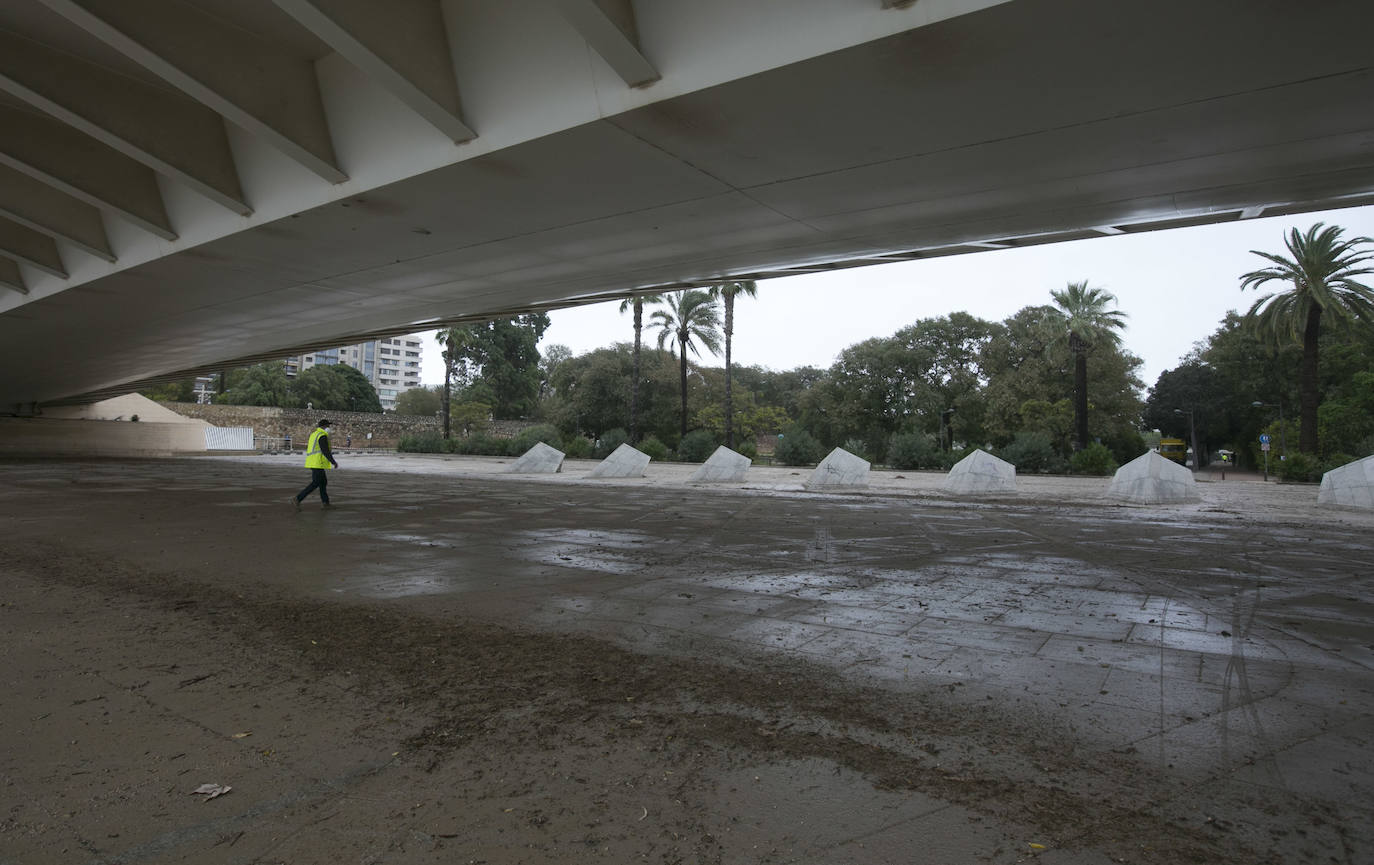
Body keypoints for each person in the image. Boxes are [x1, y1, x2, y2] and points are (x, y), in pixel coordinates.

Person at [292, 419, 338, 508]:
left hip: (313, 462)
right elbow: (325, 450)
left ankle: (325, 503)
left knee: (323, 482)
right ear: (324, 426)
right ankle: (298, 498)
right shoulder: (322, 435)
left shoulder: (314, 434)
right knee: (316, 483)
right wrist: (333, 462)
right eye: (328, 426)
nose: (329, 428)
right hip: (318, 462)